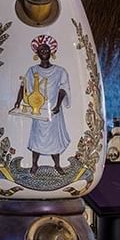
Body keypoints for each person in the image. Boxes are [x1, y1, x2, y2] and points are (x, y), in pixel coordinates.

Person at [9, 34, 71, 171]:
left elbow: (63, 89)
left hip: (53, 110)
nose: (44, 52)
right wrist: (18, 101)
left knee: (54, 138)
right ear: (36, 53)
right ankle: (34, 164)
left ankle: (57, 165)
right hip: (38, 108)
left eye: (46, 50)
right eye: (41, 50)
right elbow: (24, 86)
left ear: (51, 52)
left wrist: (58, 105)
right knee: (37, 137)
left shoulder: (59, 71)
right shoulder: (32, 71)